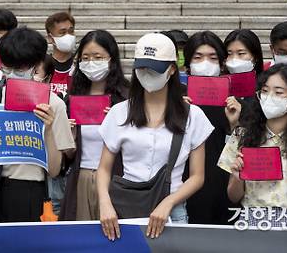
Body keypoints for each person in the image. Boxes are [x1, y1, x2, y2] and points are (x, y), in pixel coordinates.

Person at [98, 33, 214, 240]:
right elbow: (104, 168)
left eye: (155, 69)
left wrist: (168, 203)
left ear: (171, 69)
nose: (147, 74)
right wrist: (105, 204)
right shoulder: (119, 112)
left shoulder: (193, 116)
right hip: (124, 211)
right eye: (142, 68)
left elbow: (197, 176)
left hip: (173, 211)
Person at [0, 27, 74, 222]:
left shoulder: (54, 104)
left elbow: (54, 170)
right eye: (6, 68)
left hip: (30, 190)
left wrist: (47, 130)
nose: (11, 74)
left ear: (36, 66)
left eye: (19, 69)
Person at [218, 64, 287, 227]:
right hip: (253, 219)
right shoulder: (242, 135)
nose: (269, 97)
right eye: (265, 91)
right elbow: (233, 196)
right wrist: (237, 175)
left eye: (278, 92)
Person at [60, 30, 131, 221]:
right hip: (81, 177)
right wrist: (70, 137)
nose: (91, 63)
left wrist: (120, 125)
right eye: (85, 58)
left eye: (98, 57)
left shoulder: (126, 99)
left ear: (111, 59)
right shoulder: (72, 99)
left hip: (116, 179)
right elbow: (68, 154)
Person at [181, 31, 233, 225]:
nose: (205, 63)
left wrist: (234, 123)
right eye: (198, 57)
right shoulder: (178, 99)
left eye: (212, 58)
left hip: (222, 179)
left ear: (222, 64)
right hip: (186, 179)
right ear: (187, 66)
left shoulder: (232, 101)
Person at [224, 29, 265, 131]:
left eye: (241, 53)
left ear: (255, 57)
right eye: (229, 54)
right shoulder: (220, 87)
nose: (234, 59)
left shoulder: (265, 88)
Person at [45, 12, 76, 98]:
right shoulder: (42, 65)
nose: (68, 36)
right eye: (62, 33)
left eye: (71, 31)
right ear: (51, 38)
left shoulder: (81, 64)